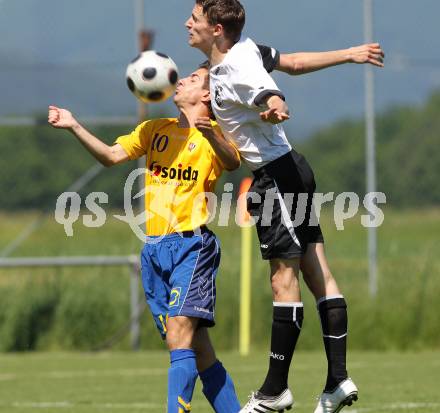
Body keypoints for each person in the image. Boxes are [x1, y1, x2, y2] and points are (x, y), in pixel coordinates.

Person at [185, 1, 384, 412]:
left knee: (283, 282)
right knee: (318, 274)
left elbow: (268, 90)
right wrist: (349, 53)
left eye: (195, 18)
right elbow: (291, 62)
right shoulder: (245, 54)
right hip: (289, 171)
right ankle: (337, 381)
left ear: (217, 28)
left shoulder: (239, 66)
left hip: (276, 178)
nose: (187, 23)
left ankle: (275, 391)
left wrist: (275, 104)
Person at [48, 66, 243, 413]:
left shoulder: (214, 134)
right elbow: (111, 156)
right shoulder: (155, 130)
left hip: (191, 246)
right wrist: (73, 125)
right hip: (154, 251)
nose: (181, 80)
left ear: (207, 96)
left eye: (193, 79)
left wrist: (211, 134)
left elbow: (232, 162)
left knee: (179, 335)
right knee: (199, 351)